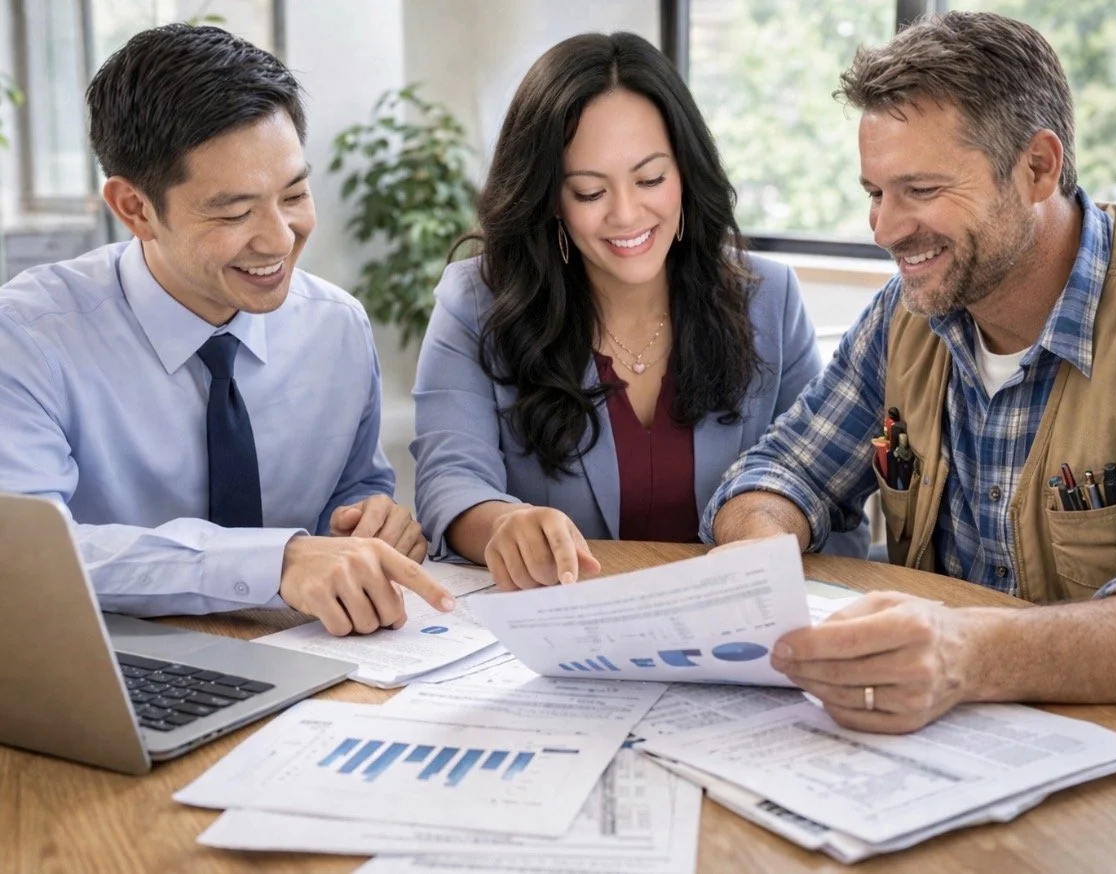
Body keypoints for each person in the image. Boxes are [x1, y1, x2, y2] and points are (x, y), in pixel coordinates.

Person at [705, 11, 1116, 732]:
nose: (885, 231)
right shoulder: (905, 315)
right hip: (940, 754)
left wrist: (968, 654)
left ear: (1036, 168)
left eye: (920, 191)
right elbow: (782, 471)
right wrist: (763, 545)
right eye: (874, 192)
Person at [0, 24, 453, 635]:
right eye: (235, 211)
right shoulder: (29, 338)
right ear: (134, 208)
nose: (279, 239)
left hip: (306, 664)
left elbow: (351, 496)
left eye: (294, 194)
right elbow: (27, 560)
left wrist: (373, 520)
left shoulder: (336, 329)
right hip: (110, 670)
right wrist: (275, 561)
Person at [411, 31, 868, 590]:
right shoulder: (477, 303)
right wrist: (504, 524)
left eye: (650, 179)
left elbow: (827, 491)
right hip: (562, 633)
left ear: (685, 173)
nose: (627, 215)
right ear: (549, 197)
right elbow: (450, 481)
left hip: (739, 631)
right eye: (588, 192)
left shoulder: (767, 297)